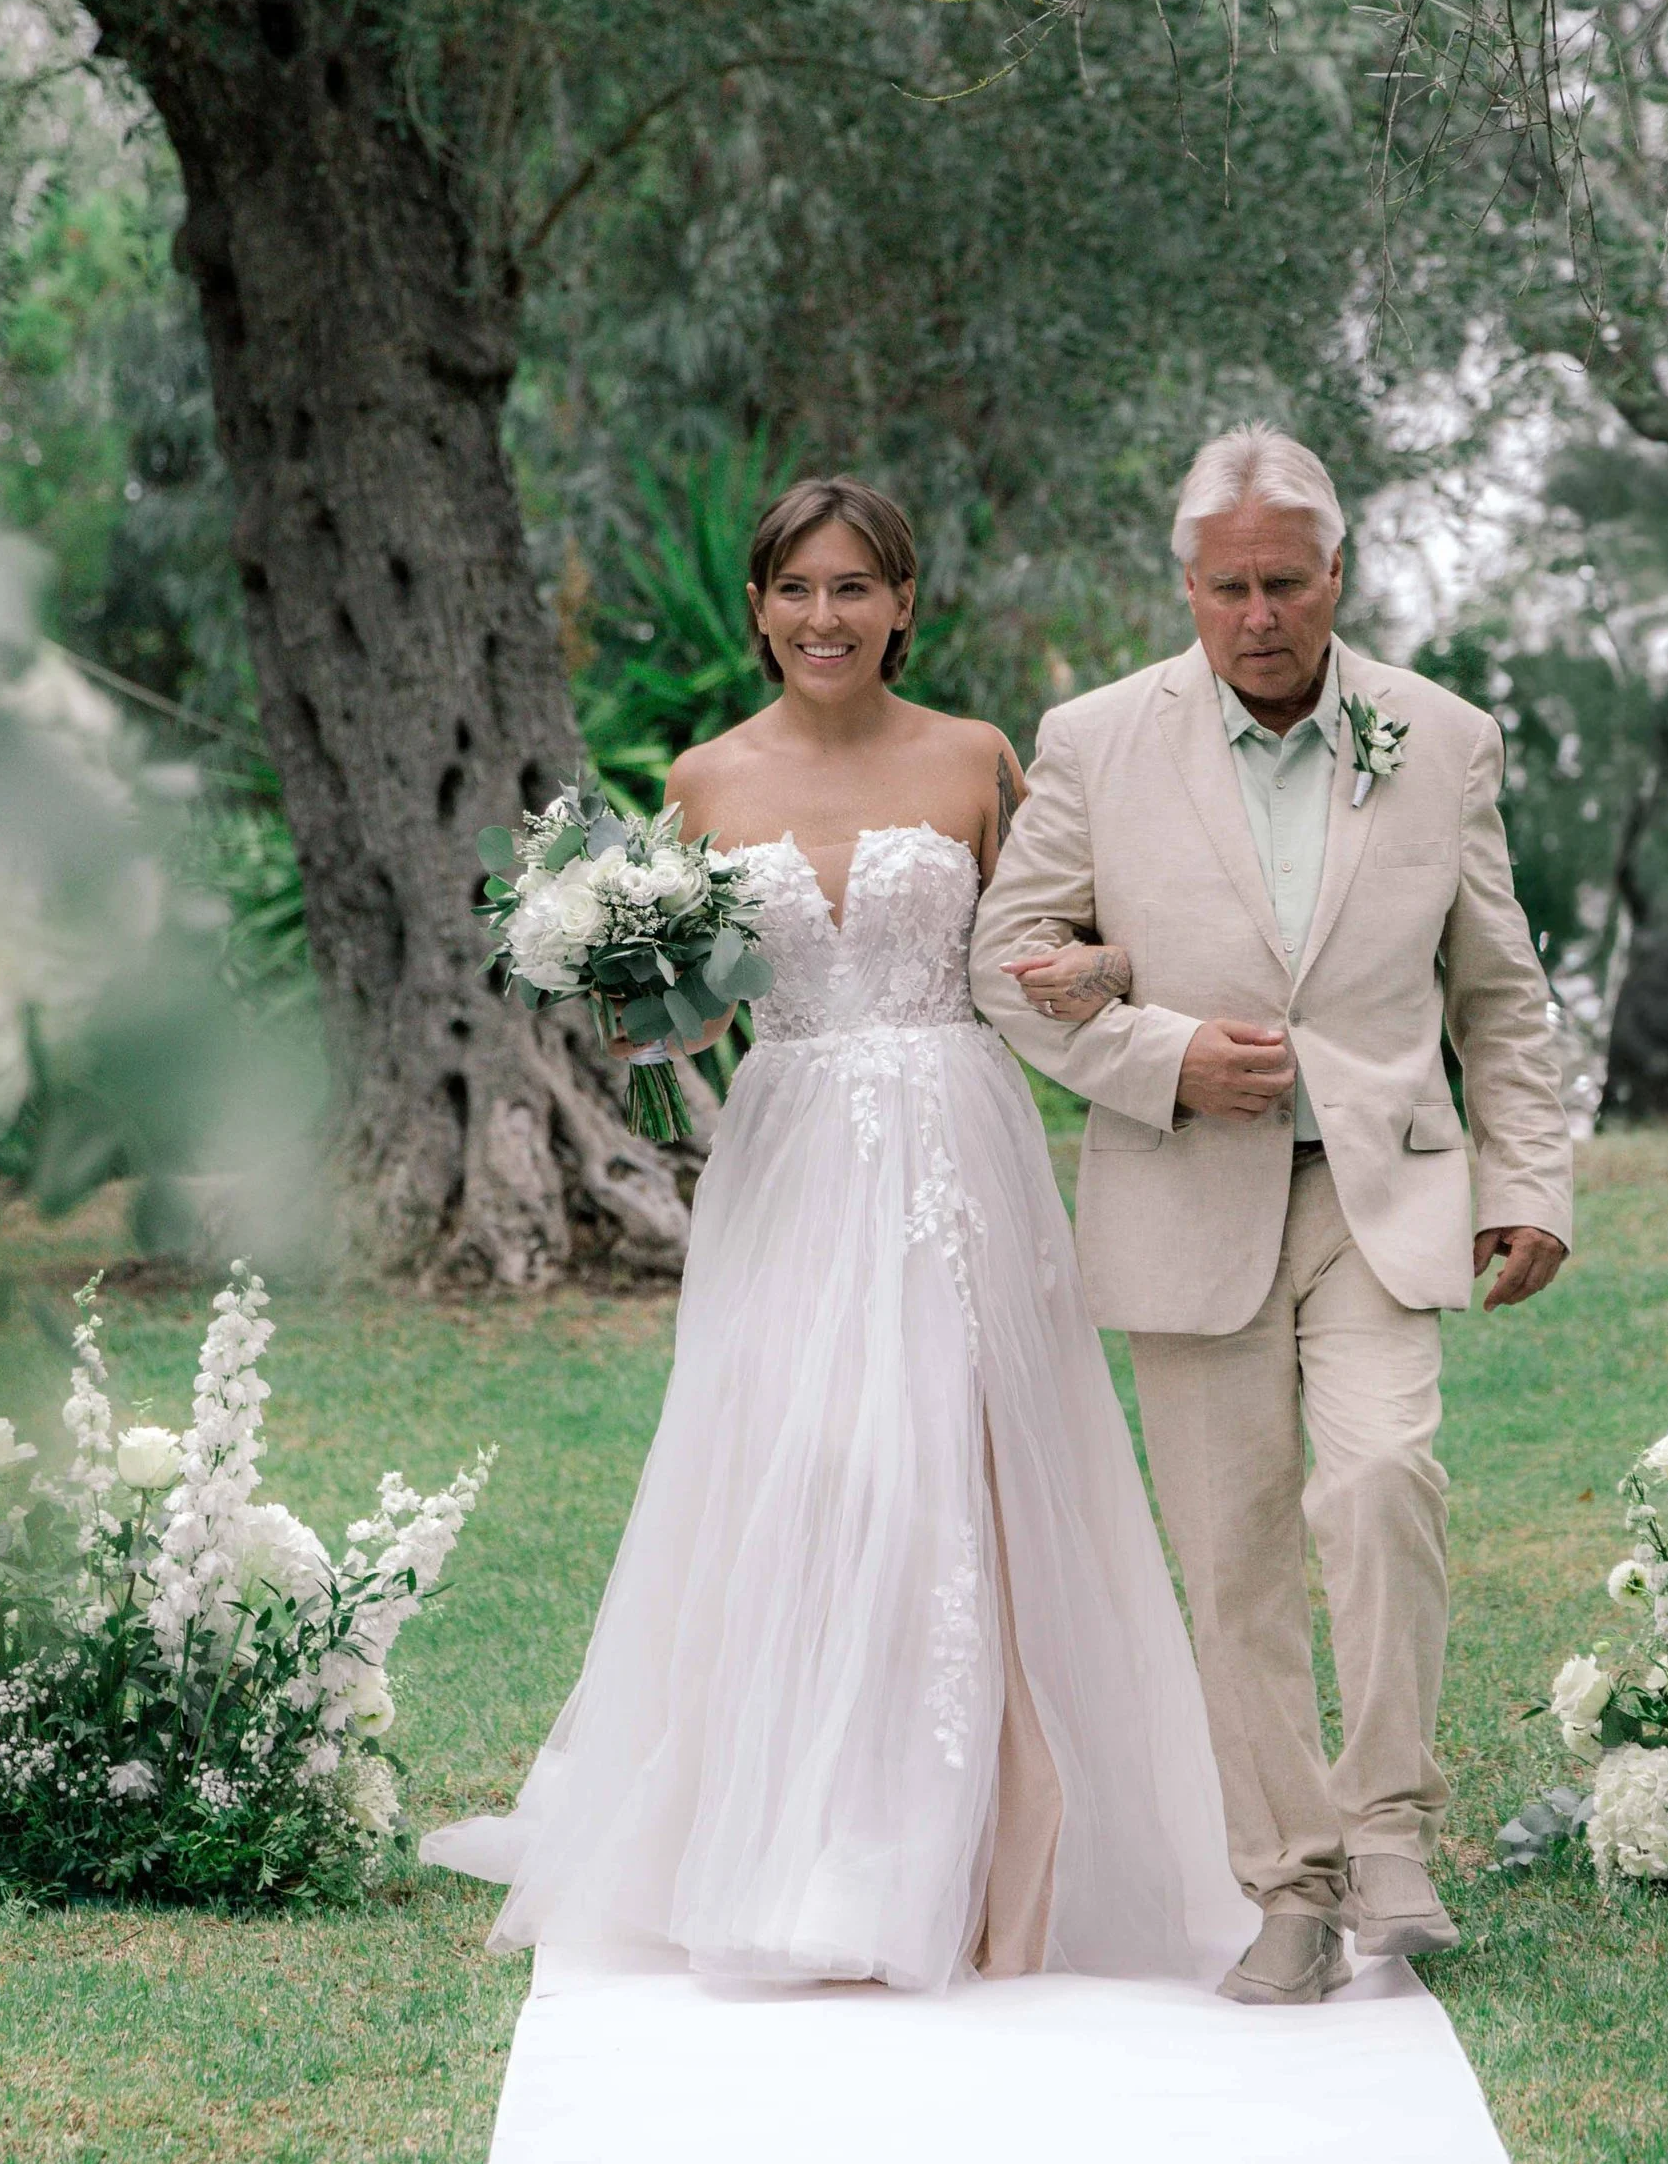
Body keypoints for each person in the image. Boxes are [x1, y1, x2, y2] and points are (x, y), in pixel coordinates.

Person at [423, 474, 1251, 1995]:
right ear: (758, 606)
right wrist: (620, 987)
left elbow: (1074, 937)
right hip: (792, 1155)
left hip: (957, 1150)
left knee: (952, 1464)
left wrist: (1102, 966)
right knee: (808, 1459)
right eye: (798, 589)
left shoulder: (980, 759)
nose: (825, 616)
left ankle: (999, 1851)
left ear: (904, 604)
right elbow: (685, 1017)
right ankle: (798, 1838)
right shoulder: (705, 780)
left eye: (855, 588)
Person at [969, 423, 1573, 2008]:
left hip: (1378, 1193)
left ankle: (1390, 1830)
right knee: (1231, 1562)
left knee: (1383, 1478)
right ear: (1186, 583)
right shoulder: (1097, 741)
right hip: (1185, 1201)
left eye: (1286, 585)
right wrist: (1162, 1056)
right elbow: (1005, 953)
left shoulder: (1442, 737)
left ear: (1340, 575)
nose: (1258, 616)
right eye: (1228, 587)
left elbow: (1499, 993)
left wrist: (1527, 1181)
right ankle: (1288, 1887)